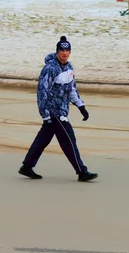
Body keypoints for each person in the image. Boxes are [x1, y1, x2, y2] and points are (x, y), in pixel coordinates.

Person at [18, 36, 98, 182]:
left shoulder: (69, 67)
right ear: (57, 52)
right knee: (69, 139)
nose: (64, 53)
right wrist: (45, 116)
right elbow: (42, 92)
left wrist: (81, 106)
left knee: (43, 139)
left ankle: (27, 166)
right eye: (61, 50)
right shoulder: (50, 69)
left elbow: (71, 89)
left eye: (67, 50)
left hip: (62, 110)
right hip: (54, 112)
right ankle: (82, 171)